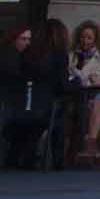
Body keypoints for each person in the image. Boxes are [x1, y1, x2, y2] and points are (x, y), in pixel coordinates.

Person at [3, 22, 64, 169]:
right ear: (13, 39)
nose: (27, 43)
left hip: (22, 105)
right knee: (55, 115)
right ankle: (54, 161)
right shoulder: (13, 56)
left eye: (28, 39)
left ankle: (21, 155)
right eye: (23, 39)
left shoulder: (24, 56)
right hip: (19, 105)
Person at [67, 20, 100, 162]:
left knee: (92, 111)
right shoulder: (72, 55)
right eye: (82, 37)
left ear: (96, 39)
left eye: (89, 38)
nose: (85, 41)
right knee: (71, 111)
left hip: (97, 94)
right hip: (76, 94)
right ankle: (75, 151)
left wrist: (99, 80)